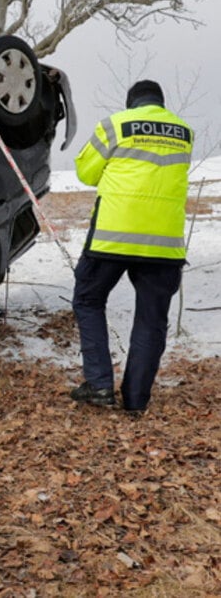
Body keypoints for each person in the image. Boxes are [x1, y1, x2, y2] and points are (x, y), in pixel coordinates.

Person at [69, 79, 193, 414]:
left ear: (131, 103)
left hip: (113, 236)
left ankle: (98, 385)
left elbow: (85, 171)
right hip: (163, 245)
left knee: (88, 298)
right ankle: (136, 401)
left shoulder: (115, 125)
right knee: (152, 320)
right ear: (160, 103)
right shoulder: (184, 132)